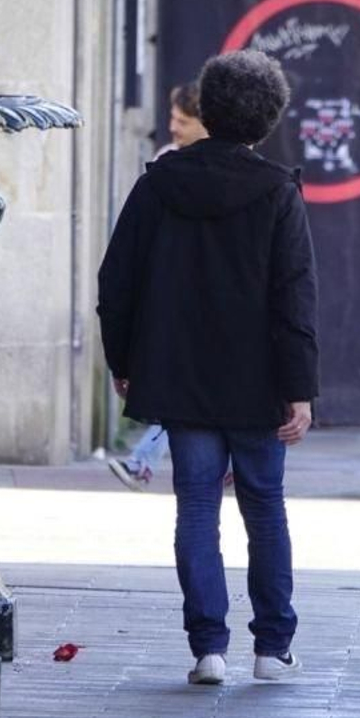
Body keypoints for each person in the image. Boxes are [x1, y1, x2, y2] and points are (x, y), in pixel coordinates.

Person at [97, 50, 318, 686]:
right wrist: (299, 390)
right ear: (269, 117)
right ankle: (272, 648)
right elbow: (295, 299)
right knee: (264, 508)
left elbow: (118, 281)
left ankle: (208, 649)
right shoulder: (279, 193)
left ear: (208, 108)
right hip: (259, 385)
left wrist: (125, 361)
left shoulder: (157, 186)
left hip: (181, 378)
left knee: (195, 507)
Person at [107, 82, 212, 491]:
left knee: (182, 402)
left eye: (182, 121)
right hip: (177, 303)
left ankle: (142, 463)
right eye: (172, 118)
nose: (172, 127)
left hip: (190, 304)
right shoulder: (165, 165)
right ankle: (143, 462)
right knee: (183, 401)